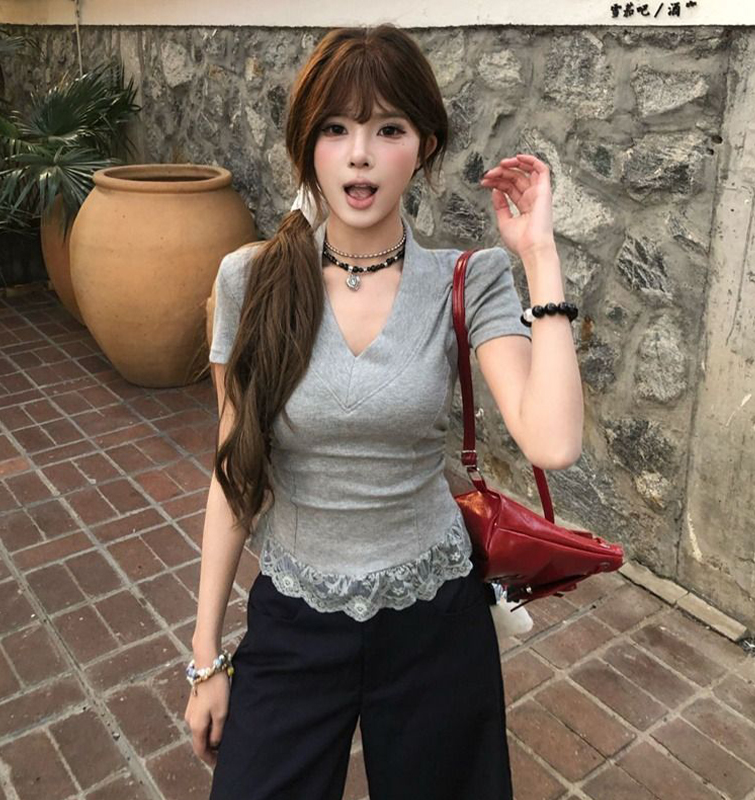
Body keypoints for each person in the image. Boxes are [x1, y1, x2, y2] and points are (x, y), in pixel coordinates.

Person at [185, 23, 583, 800]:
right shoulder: (250, 282)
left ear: (423, 146)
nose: (360, 154)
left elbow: (553, 440)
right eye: (336, 129)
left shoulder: (469, 278)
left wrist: (540, 255)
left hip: (434, 618)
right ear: (308, 146)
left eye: (388, 129)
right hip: (296, 618)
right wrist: (206, 659)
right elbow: (234, 478)